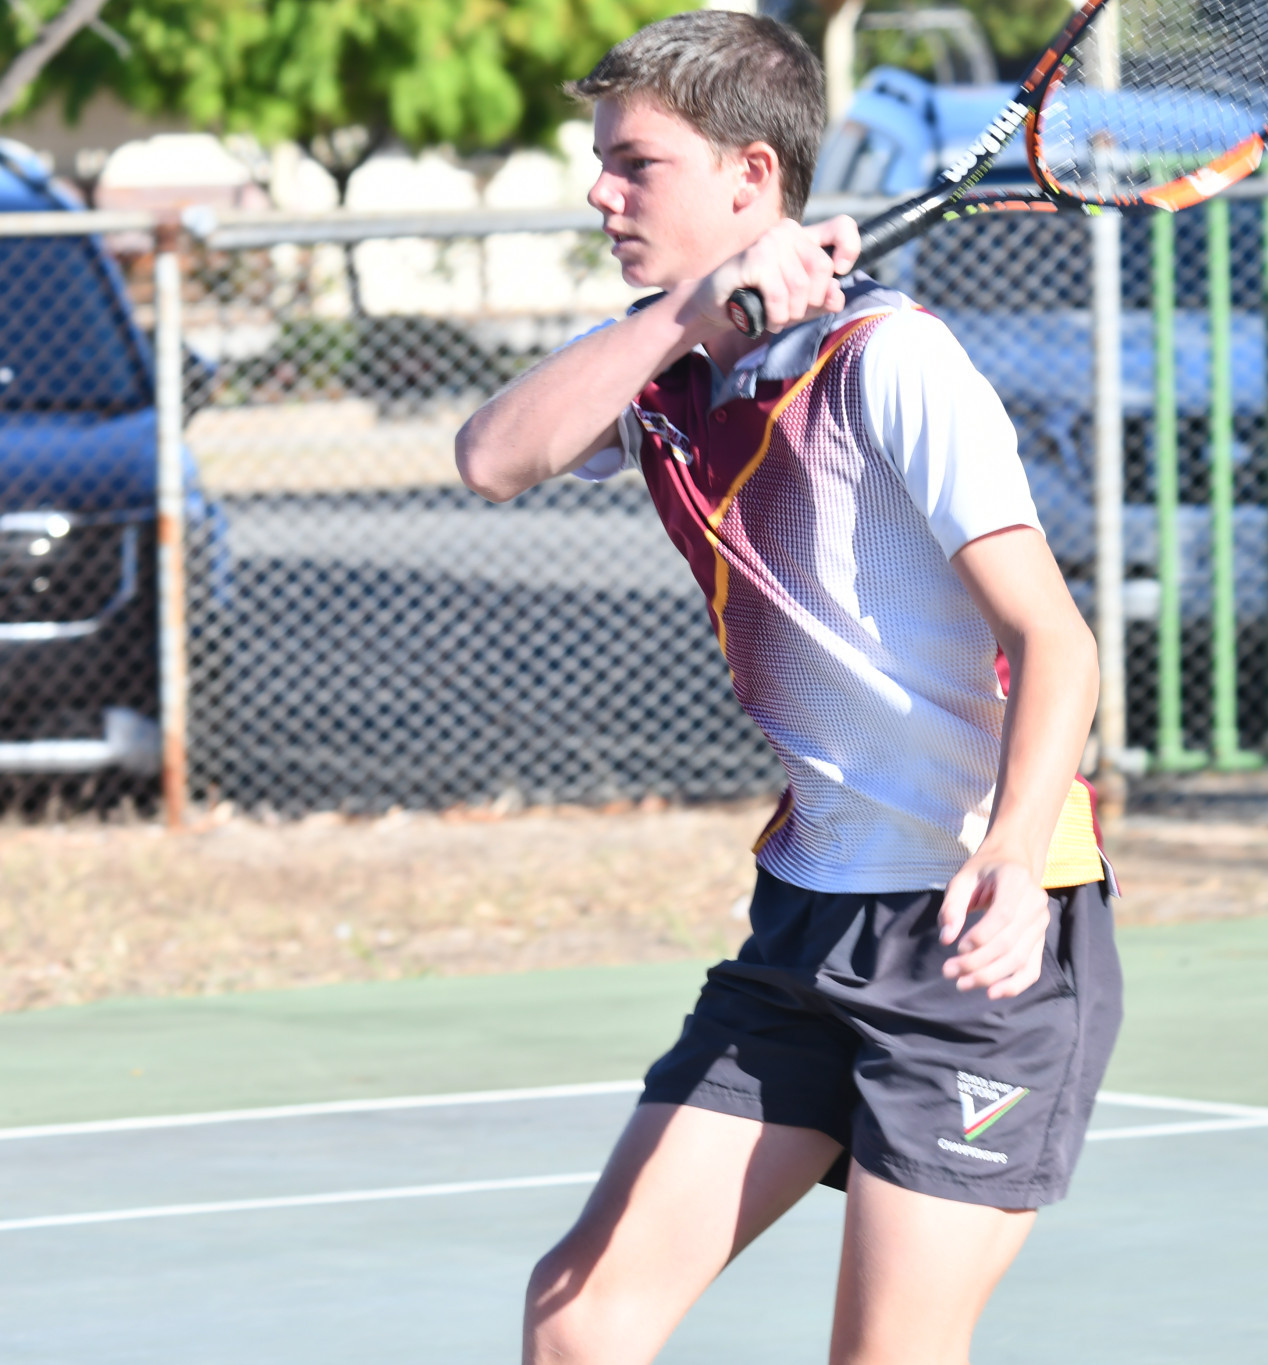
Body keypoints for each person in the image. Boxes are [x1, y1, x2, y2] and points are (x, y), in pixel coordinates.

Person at [454, 11, 1121, 1364]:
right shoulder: (672, 370)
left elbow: (1061, 642)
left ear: (750, 179)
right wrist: (685, 316)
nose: (602, 190)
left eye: (634, 163)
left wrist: (1006, 849)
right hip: (805, 923)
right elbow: (492, 456)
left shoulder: (891, 361)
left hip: (969, 937)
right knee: (578, 1319)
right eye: (602, 162)